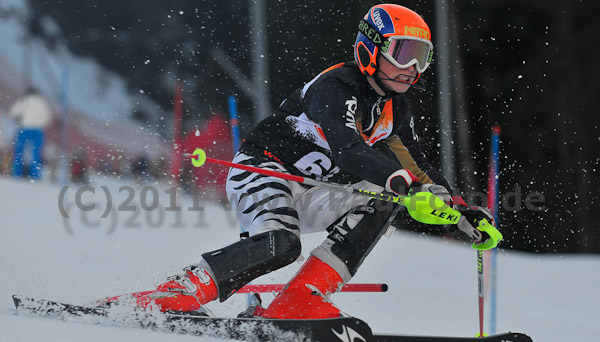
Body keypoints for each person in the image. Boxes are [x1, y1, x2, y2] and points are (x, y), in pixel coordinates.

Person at [117, 4, 496, 318]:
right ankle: (179, 290)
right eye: (403, 53)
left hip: (314, 190)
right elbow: (347, 148)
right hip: (262, 172)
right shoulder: (337, 86)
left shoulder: (396, 106)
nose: (413, 68)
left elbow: (417, 165)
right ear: (370, 48)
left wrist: (463, 211)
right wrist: (406, 185)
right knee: (282, 244)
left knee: (384, 200)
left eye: (422, 57)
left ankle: (301, 298)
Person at [9, 87, 53, 179]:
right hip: (38, 130)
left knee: (19, 151)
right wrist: (41, 123)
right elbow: (47, 117)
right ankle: (35, 175)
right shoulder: (42, 102)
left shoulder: (24, 100)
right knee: (36, 152)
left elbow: (13, 113)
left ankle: (16, 173)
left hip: (24, 128)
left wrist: (18, 119)